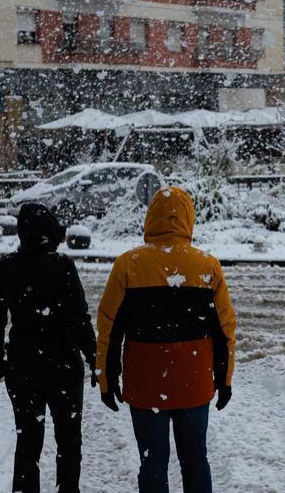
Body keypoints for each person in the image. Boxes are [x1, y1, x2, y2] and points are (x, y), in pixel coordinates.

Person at [96, 187, 237, 493]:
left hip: (146, 385)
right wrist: (224, 379)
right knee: (195, 458)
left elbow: (109, 329)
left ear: (151, 218)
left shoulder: (128, 265)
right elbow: (224, 330)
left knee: (152, 462)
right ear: (188, 219)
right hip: (194, 383)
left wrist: (107, 379)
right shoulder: (206, 266)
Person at [0, 203, 96, 493]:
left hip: (22, 366)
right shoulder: (63, 267)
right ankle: (67, 489)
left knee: (28, 442)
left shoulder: (6, 267)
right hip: (63, 366)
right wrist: (94, 356)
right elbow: (78, 318)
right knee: (69, 441)